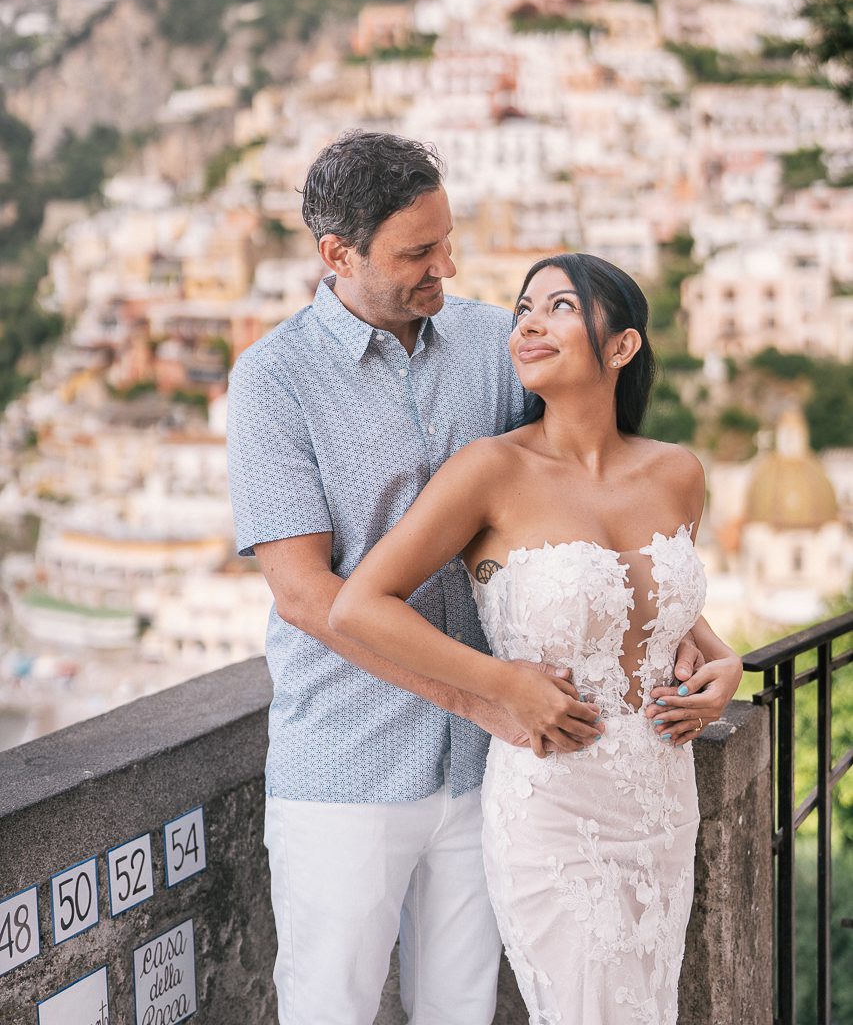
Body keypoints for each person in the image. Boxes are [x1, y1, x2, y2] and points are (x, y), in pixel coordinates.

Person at [226, 132, 739, 1025]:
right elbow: (310, 597)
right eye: (417, 252)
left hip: (497, 769)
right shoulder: (273, 379)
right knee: (328, 1007)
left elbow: (584, 532)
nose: (446, 265)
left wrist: (713, 653)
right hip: (352, 757)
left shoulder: (491, 344)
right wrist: (488, 697)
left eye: (446, 240)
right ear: (336, 255)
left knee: (461, 1009)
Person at [330, 250, 743, 1025]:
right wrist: (499, 684)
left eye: (558, 306)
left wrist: (726, 664)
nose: (528, 322)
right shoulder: (489, 470)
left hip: (660, 799)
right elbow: (360, 606)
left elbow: (664, 614)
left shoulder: (676, 473)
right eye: (523, 309)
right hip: (553, 799)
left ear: (620, 347)